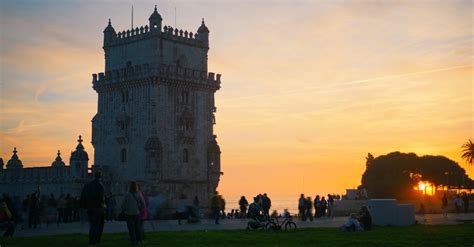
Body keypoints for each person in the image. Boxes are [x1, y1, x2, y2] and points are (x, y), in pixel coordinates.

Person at [80, 171, 105, 245]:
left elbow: (83, 197)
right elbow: (101, 198)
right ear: (100, 177)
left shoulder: (87, 186)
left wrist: (85, 207)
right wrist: (102, 206)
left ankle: (92, 239)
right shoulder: (100, 186)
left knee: (92, 224)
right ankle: (96, 239)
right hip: (98, 208)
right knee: (98, 225)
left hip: (89, 208)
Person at [120, 181, 145, 246]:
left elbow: (123, 204)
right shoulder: (138, 194)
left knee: (131, 228)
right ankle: (139, 240)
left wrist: (124, 210)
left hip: (128, 213)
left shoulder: (127, 194)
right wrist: (140, 209)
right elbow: (143, 203)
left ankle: (133, 240)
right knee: (137, 228)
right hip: (136, 213)